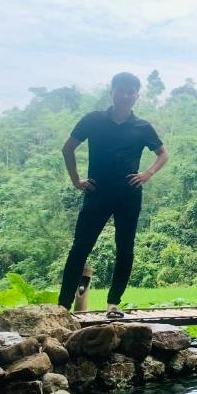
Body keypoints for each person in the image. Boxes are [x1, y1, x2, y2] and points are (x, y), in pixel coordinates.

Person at [58, 72, 169, 318]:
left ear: (137, 95)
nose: (126, 95)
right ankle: (62, 307)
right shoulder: (93, 120)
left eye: (132, 91)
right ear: (112, 92)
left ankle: (113, 304)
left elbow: (162, 153)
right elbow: (68, 148)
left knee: (125, 249)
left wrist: (147, 173)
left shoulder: (142, 127)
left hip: (129, 195)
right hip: (96, 193)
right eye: (122, 90)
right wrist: (76, 180)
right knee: (80, 248)